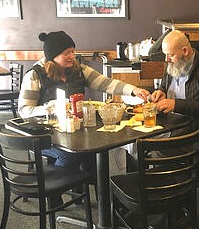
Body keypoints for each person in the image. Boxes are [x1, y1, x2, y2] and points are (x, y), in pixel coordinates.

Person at [18, 30, 150, 171]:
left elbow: (105, 83)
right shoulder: (35, 75)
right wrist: (50, 108)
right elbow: (24, 111)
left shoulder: (78, 69)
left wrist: (133, 89)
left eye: (73, 51)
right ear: (53, 55)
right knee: (70, 155)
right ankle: (55, 189)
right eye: (66, 53)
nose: (72, 56)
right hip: (46, 138)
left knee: (95, 149)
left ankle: (90, 186)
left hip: (74, 133)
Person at [150, 29, 199, 163]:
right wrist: (161, 91)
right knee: (139, 143)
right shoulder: (173, 62)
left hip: (195, 133)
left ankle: (171, 182)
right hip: (172, 125)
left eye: (170, 55)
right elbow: (165, 85)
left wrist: (175, 104)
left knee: (156, 149)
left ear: (185, 51)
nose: (167, 60)